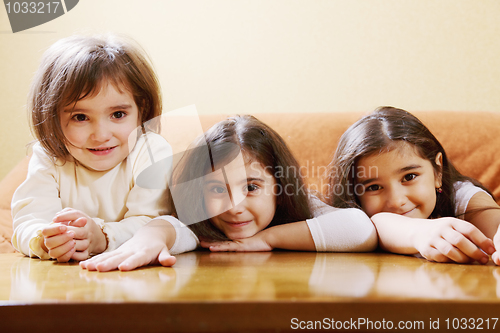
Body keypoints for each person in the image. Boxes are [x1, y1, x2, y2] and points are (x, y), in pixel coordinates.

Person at [80, 115, 377, 272]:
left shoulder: (302, 208)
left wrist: (266, 238)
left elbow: (360, 229)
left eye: (251, 187)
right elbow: (173, 226)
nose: (234, 206)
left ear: (278, 187)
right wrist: (151, 237)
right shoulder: (208, 226)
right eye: (217, 189)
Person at [11, 34, 172, 263]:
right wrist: (46, 240)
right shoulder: (50, 156)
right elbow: (27, 222)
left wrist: (101, 237)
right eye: (80, 117)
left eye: (118, 115)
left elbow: (155, 223)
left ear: (142, 111)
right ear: (52, 117)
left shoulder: (151, 151)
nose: (101, 135)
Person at [327, 106, 500, 265]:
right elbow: (376, 225)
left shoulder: (462, 196)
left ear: (437, 171)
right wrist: (420, 232)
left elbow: (494, 223)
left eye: (409, 177)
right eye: (373, 187)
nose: (396, 201)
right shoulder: (352, 222)